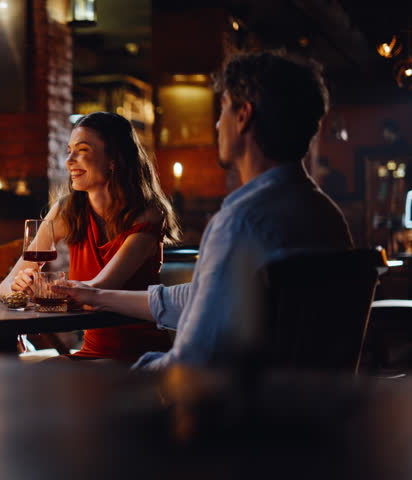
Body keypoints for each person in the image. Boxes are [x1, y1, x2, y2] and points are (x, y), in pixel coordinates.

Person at [54, 51, 353, 370]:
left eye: (223, 109)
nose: (217, 122)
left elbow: (193, 361)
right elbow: (207, 298)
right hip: (310, 406)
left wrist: (131, 371)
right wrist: (97, 295)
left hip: (235, 411)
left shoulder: (241, 222)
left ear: (243, 116)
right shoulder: (326, 214)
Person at [0, 111, 181, 361]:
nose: (69, 160)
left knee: (33, 379)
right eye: (69, 150)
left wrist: (46, 290)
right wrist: (21, 289)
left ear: (114, 159)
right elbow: (4, 287)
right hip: (92, 354)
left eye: (82, 150)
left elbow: (97, 292)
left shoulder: (147, 214)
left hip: (139, 358)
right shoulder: (67, 210)